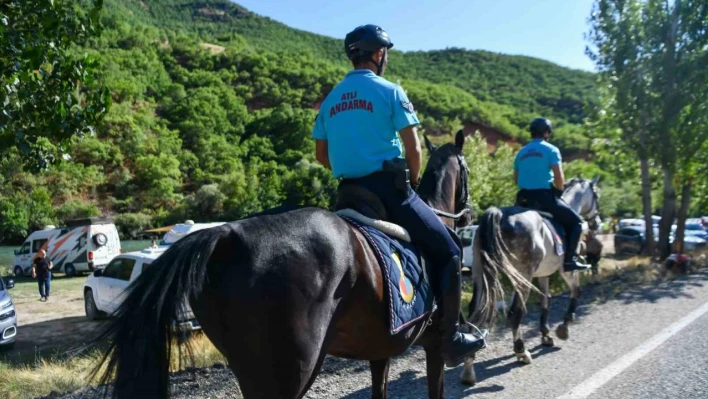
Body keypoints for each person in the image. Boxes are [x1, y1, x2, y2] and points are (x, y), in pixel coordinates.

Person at [311, 24, 486, 367]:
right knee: (449, 251)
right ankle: (450, 338)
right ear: (378, 54)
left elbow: (321, 155)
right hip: (389, 191)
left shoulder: (330, 100)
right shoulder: (391, 91)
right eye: (384, 52)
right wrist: (413, 182)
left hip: (347, 194)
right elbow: (415, 149)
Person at [513, 117, 591, 272]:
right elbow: (559, 177)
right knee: (576, 223)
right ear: (547, 133)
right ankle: (569, 261)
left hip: (523, 198)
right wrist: (559, 191)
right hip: (544, 198)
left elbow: (516, 179)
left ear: (531, 133)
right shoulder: (551, 150)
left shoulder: (521, 152)